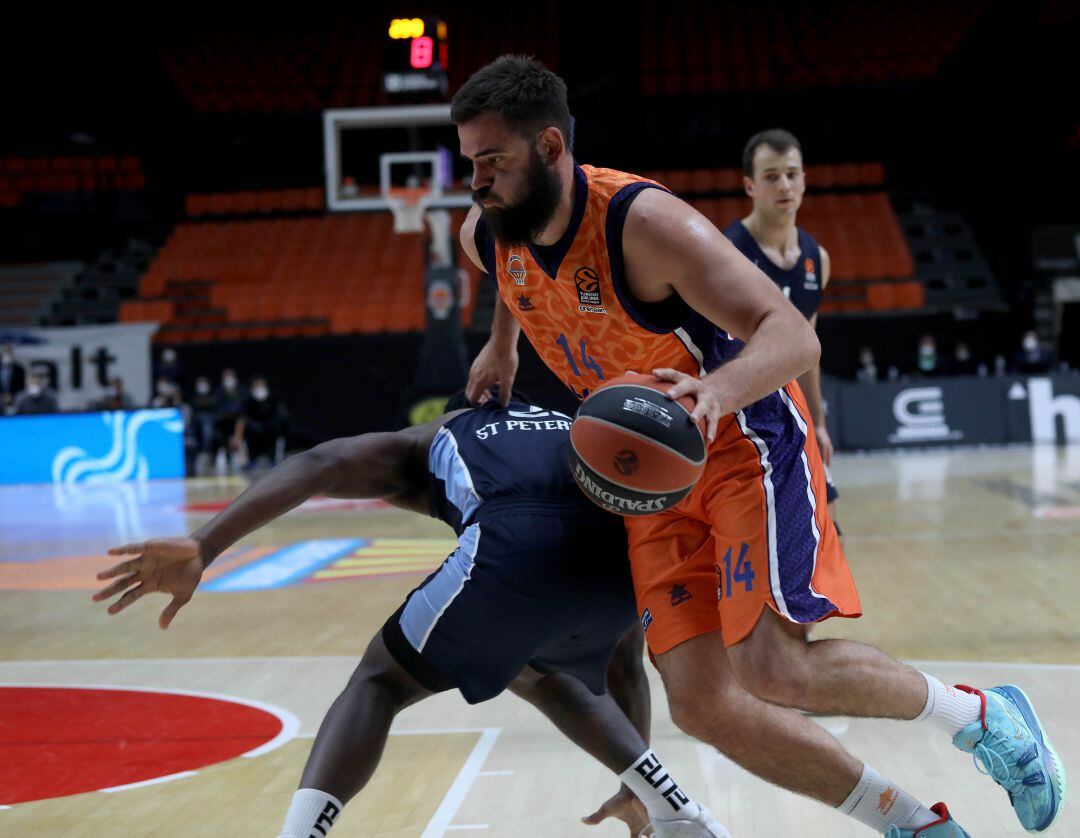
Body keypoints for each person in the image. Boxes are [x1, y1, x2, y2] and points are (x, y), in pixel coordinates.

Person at [452, 55, 1065, 835]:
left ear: (548, 147)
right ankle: (912, 824)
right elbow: (504, 263)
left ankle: (982, 715)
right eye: (470, 161)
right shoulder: (489, 225)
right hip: (654, 475)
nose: (477, 179)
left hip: (741, 438)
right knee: (703, 702)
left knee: (772, 667)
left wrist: (716, 392)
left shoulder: (641, 225)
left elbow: (792, 334)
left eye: (492, 161)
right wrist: (502, 345)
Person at [93, 398, 729, 838]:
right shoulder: (571, 428)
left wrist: (205, 544)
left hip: (515, 545)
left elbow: (319, 464)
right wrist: (635, 782)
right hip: (621, 556)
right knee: (543, 670)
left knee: (380, 681)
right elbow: (622, 668)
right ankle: (673, 808)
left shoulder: (427, 440)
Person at [724, 128, 841, 528]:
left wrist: (820, 425)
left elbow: (808, 351)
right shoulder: (729, 253)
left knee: (831, 529)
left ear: (805, 180)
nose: (784, 185)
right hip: (743, 421)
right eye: (771, 176)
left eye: (792, 174)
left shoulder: (816, 259)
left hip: (796, 420)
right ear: (750, 186)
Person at [237, 375, 288, 468]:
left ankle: (274, 459)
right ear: (252, 388)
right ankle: (251, 461)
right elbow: (242, 419)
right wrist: (238, 436)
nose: (260, 389)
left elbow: (279, 415)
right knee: (250, 431)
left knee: (276, 430)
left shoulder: (273, 399)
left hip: (270, 428)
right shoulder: (247, 401)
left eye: (262, 385)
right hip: (253, 430)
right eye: (257, 386)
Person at [0, 344, 26, 412]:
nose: (6, 356)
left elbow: (22, 385)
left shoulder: (19, 369)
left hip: (15, 397)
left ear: (12, 355)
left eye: (8, 353)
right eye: (5, 353)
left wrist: (11, 396)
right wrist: (2, 396)